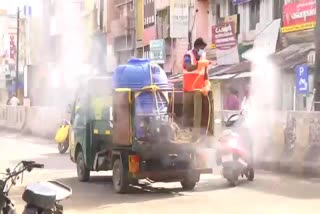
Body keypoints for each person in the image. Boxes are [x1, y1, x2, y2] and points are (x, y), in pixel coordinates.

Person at [182, 38, 213, 136]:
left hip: (200, 91)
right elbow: (188, 67)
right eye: (202, 48)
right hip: (188, 92)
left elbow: (205, 74)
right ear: (197, 47)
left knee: (203, 114)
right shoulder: (188, 55)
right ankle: (188, 134)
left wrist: (207, 84)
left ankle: (204, 134)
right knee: (188, 116)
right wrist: (198, 65)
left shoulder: (203, 57)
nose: (203, 51)